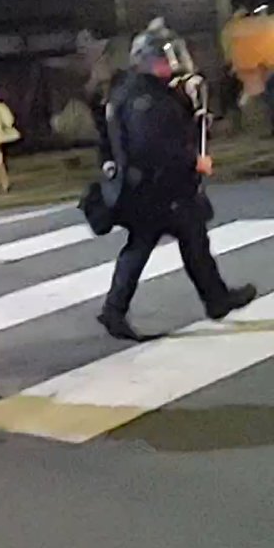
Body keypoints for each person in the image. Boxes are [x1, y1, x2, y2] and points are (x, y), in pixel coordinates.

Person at [99, 18, 257, 341]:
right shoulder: (143, 97)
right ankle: (117, 309)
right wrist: (194, 161)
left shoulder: (136, 91)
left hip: (151, 185)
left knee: (187, 240)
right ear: (147, 61)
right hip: (157, 186)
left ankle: (214, 298)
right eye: (164, 58)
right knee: (159, 244)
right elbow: (152, 144)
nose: (170, 64)